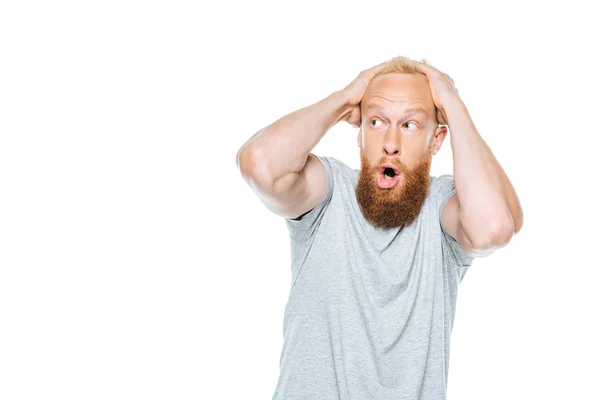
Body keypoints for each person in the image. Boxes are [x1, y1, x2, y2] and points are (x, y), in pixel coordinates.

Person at [236, 56, 523, 400]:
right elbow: (258, 162)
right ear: (359, 134)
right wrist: (344, 98)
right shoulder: (328, 192)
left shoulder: (443, 208)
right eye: (376, 121)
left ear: (437, 140)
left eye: (410, 125)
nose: (390, 142)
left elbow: (494, 227)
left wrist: (455, 107)